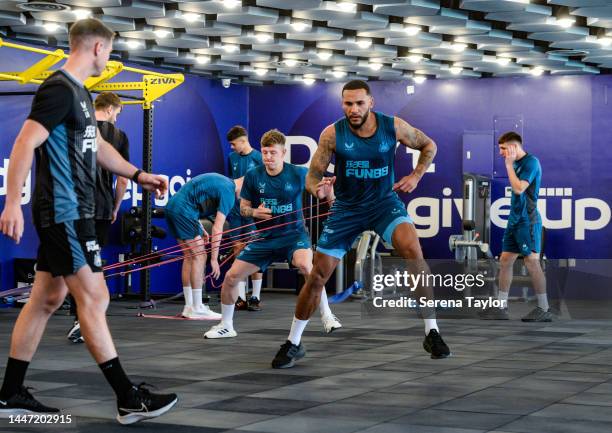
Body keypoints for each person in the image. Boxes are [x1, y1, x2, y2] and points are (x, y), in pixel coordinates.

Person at [0, 18, 177, 424]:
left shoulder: (80, 93)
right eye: (109, 51)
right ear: (97, 48)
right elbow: (25, 141)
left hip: (72, 212)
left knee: (46, 299)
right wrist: (12, 203)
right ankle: (128, 397)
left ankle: (10, 392)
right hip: (65, 213)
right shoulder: (58, 90)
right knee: (96, 298)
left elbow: (96, 147)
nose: (109, 58)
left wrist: (138, 175)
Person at [271, 80, 451, 369]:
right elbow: (313, 176)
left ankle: (432, 332)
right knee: (318, 275)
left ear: (371, 103)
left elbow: (429, 145)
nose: (353, 109)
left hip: (384, 205)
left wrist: (416, 175)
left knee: (413, 251)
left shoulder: (393, 126)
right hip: (347, 209)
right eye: (347, 104)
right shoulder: (332, 134)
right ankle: (293, 342)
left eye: (359, 103)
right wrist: (317, 189)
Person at [204, 129, 342, 340]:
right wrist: (255, 212)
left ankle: (327, 315)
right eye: (265, 152)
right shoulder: (253, 175)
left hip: (294, 235)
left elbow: (323, 192)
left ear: (283, 152)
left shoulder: (298, 173)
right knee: (231, 277)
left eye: (273, 153)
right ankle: (226, 325)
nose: (268, 157)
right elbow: (243, 208)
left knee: (307, 267)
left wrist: (328, 196)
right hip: (265, 238)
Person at [67, 91, 130, 344]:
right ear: (113, 109)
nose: (116, 118)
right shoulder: (118, 136)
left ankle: (79, 318)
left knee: (77, 262)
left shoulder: (76, 128)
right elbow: (123, 179)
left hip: (74, 207)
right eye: (117, 113)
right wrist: (115, 208)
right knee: (93, 264)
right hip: (102, 207)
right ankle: (87, 319)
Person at [479, 132, 551, 322]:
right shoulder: (516, 164)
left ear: (514, 147)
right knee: (505, 261)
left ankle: (544, 308)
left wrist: (509, 165)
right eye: (500, 149)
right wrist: (511, 164)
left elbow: (519, 188)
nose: (501, 152)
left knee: (532, 263)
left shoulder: (531, 163)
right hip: (514, 221)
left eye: (504, 149)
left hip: (528, 220)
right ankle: (501, 306)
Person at [165, 173, 241, 319]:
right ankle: (198, 307)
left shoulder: (222, 181)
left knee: (189, 256)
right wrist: (214, 259)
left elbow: (192, 197)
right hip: (184, 211)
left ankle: (189, 306)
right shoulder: (229, 192)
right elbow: (218, 228)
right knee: (200, 256)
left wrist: (200, 228)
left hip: (173, 207)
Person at [225, 125, 264, 311]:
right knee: (237, 251)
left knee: (253, 251)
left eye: (233, 144)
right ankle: (240, 297)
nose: (231, 147)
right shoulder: (231, 158)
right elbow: (230, 183)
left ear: (243, 140)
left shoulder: (258, 158)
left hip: (252, 211)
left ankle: (255, 296)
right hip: (235, 210)